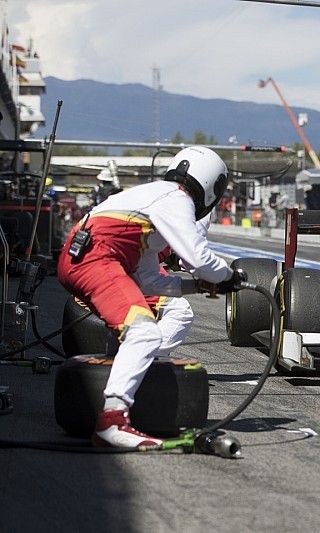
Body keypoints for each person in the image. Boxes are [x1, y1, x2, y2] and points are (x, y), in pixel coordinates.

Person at [57, 146, 246, 448]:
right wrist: (229, 277)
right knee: (144, 333)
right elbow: (197, 257)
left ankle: (122, 386)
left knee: (137, 331)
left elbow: (149, 280)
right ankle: (112, 421)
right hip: (97, 260)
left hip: (83, 258)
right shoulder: (175, 198)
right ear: (212, 185)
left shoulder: (150, 203)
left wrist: (197, 287)